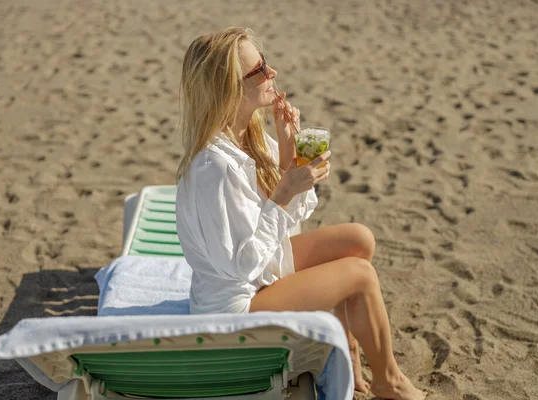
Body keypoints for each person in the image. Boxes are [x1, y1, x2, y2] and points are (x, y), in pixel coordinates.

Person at [175, 27, 426, 400]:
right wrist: (283, 193)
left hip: (260, 275)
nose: (271, 72)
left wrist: (291, 156)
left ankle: (347, 349)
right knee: (359, 275)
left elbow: (295, 212)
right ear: (229, 87)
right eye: (258, 70)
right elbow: (242, 264)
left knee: (358, 239)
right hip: (234, 308)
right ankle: (389, 381)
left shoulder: (249, 135)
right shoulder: (215, 169)